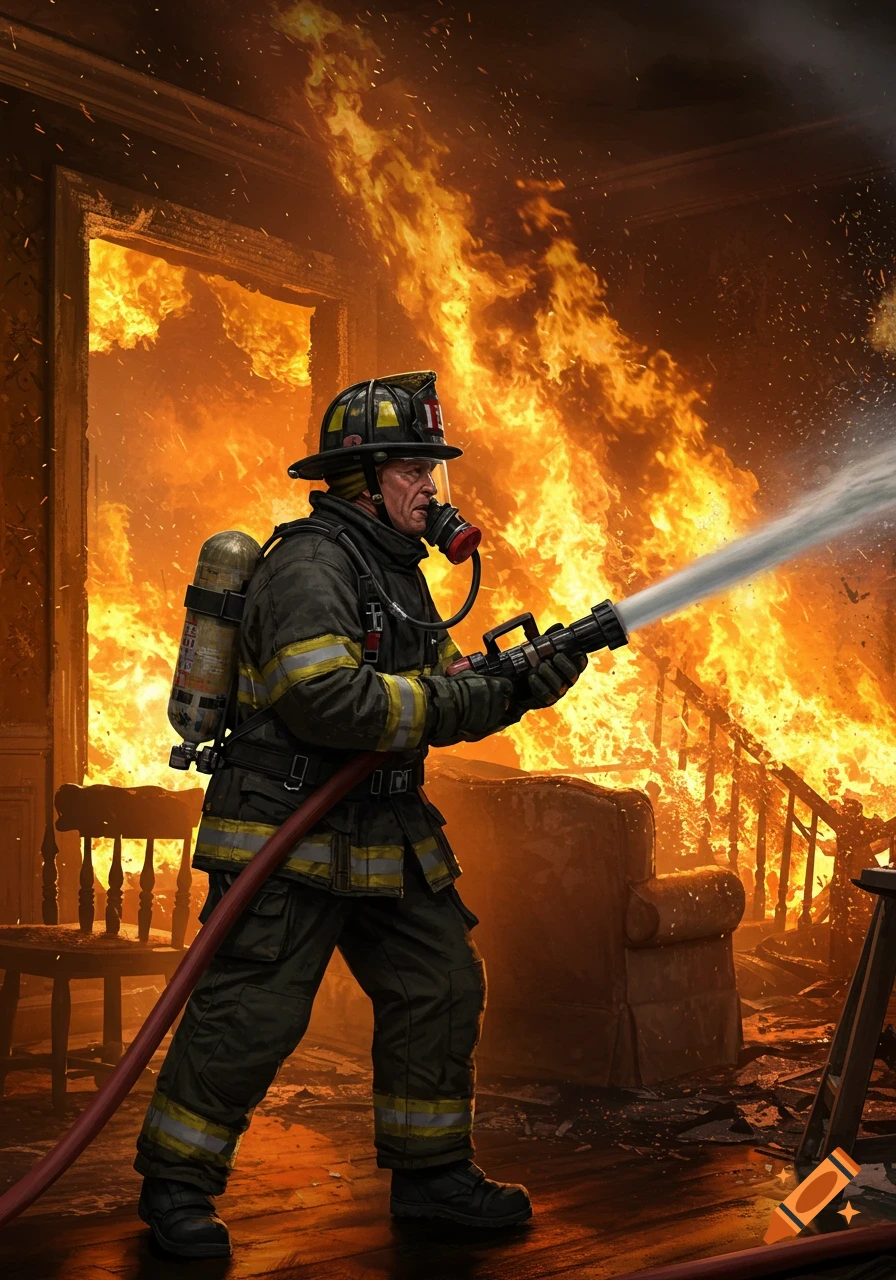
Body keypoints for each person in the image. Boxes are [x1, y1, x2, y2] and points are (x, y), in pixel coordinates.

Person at [134, 371, 585, 1258]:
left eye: (433, 470)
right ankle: (176, 1187)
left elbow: (446, 693)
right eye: (414, 469)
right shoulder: (310, 563)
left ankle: (432, 1179)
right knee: (253, 1014)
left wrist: (524, 685)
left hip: (383, 830)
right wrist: (455, 701)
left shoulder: (400, 577)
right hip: (285, 828)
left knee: (441, 985)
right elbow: (326, 701)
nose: (432, 489)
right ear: (361, 476)